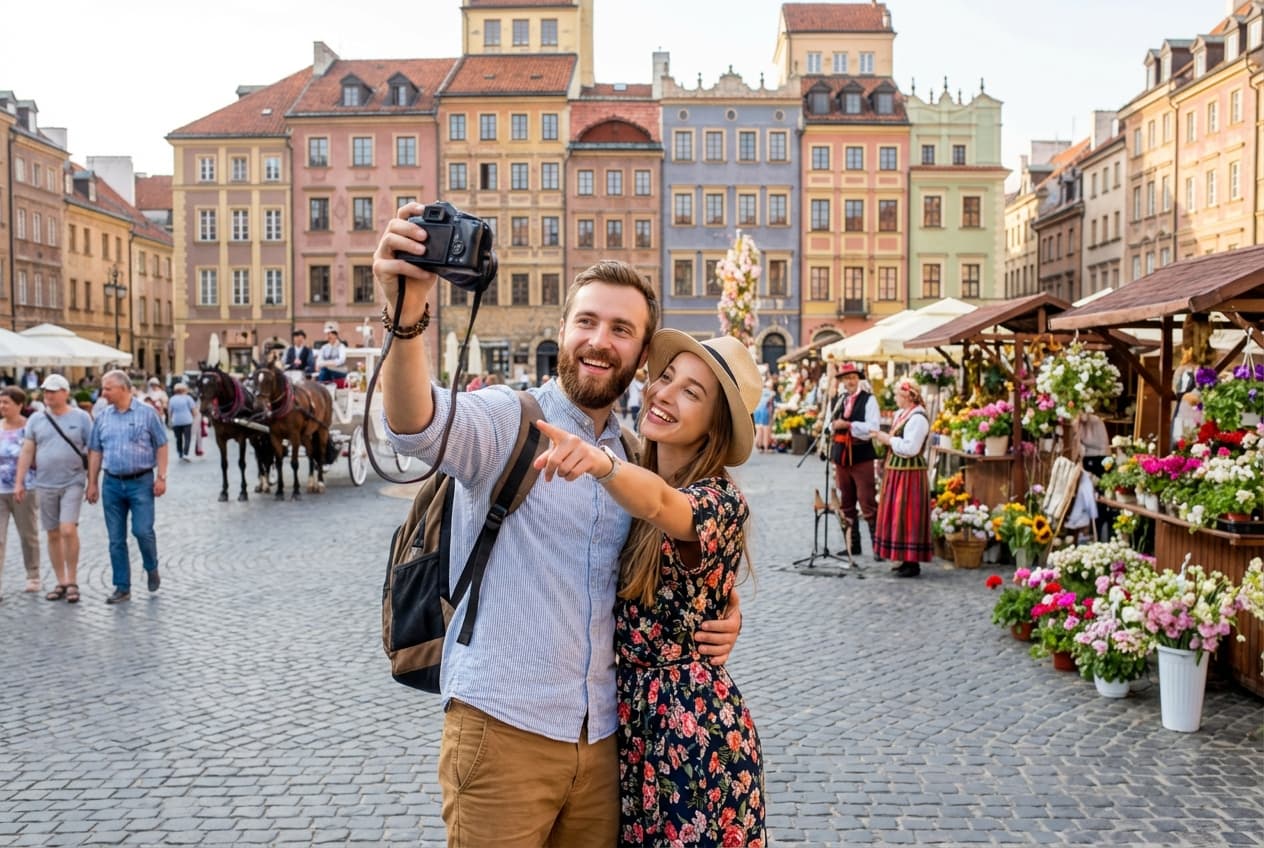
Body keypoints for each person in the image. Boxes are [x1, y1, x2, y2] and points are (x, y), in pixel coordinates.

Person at [372, 205, 740, 847]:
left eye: (622, 329)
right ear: (563, 330)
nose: (601, 340)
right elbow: (418, 424)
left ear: (640, 353)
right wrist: (408, 319)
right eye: (587, 321)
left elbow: (675, 546)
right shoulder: (505, 422)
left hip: (604, 744)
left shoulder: (630, 457)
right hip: (503, 726)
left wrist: (719, 610)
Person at [532, 329, 766, 847]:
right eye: (666, 378)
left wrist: (599, 463)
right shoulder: (635, 469)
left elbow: (662, 506)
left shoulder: (720, 501)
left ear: (714, 427)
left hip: (694, 736)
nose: (664, 393)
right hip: (632, 729)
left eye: (692, 392)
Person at [86, 370, 169, 605]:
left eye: (108, 388)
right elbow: (95, 451)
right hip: (111, 482)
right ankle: (122, 587)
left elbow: (162, 445)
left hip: (140, 482)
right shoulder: (102, 417)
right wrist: (92, 482)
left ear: (123, 388)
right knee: (115, 539)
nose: (103, 393)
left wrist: (161, 477)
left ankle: (151, 566)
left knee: (142, 531)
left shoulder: (147, 414)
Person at [15, 375, 91, 604]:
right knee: (53, 533)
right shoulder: (36, 419)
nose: (48, 395)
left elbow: (94, 450)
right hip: (44, 483)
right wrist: (19, 481)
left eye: (53, 391)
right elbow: (27, 451)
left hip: (73, 481)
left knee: (68, 529)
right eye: (46, 391)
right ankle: (61, 581)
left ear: (65, 393)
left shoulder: (81, 417)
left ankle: (73, 579)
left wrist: (93, 481)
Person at [872, 379, 933, 577]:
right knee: (897, 514)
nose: (895, 398)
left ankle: (912, 561)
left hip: (910, 473)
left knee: (908, 514)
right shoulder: (901, 414)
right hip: (897, 471)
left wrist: (887, 439)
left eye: (898, 395)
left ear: (907, 397)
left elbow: (911, 448)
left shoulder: (918, 418)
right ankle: (900, 556)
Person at [830, 361, 882, 559]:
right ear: (842, 381)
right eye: (846, 378)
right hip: (841, 456)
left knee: (867, 501)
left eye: (853, 377)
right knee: (847, 502)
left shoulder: (869, 400)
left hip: (861, 456)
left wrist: (849, 425)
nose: (850, 381)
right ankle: (853, 545)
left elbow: (872, 427)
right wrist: (834, 425)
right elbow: (829, 423)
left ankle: (878, 548)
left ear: (858, 379)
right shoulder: (839, 400)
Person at [0, 387, 40, 596]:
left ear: (19, 405)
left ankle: (33, 575)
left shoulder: (29, 429)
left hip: (25, 489)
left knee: (28, 535)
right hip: (0, 490)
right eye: (1, 402)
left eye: (6, 402)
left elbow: (39, 457)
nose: (2, 406)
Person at [168, 383, 198, 462]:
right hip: (187, 420)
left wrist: (170, 420)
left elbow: (170, 411)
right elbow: (193, 410)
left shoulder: (172, 399)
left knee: (178, 438)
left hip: (176, 421)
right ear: (184, 390)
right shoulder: (188, 398)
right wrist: (195, 418)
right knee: (187, 438)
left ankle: (180, 453)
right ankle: (186, 453)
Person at [754, 374, 775, 452]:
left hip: (757, 410)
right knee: (766, 428)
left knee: (759, 428)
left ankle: (759, 444)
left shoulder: (760, 391)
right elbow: (770, 405)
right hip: (765, 411)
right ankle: (765, 447)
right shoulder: (772, 393)